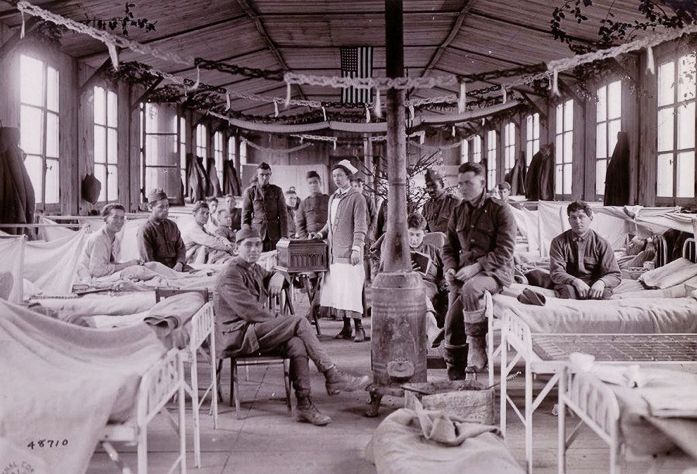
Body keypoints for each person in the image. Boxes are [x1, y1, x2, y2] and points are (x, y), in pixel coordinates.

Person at [216, 227, 369, 426]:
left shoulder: (252, 267)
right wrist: (281, 320)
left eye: (257, 245)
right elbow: (251, 312)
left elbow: (275, 274)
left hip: (253, 330)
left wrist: (280, 274)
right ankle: (331, 374)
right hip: (237, 336)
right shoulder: (231, 273)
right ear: (237, 248)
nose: (254, 249)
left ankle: (304, 405)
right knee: (298, 322)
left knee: (296, 342)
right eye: (248, 245)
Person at [442, 162, 516, 378]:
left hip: (495, 273)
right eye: (460, 183)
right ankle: (455, 379)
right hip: (463, 276)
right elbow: (449, 247)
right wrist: (450, 268)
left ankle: (477, 349)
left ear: (483, 183)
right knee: (452, 323)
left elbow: (506, 250)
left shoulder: (500, 209)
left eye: (469, 183)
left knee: (472, 288)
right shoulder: (458, 211)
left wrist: (477, 267)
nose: (463, 188)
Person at [313, 160, 368, 342]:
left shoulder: (357, 197)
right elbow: (330, 224)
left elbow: (361, 226)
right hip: (334, 254)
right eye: (334, 175)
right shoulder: (333, 197)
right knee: (340, 292)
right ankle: (346, 327)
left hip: (350, 253)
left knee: (352, 291)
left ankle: (359, 328)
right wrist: (320, 234)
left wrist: (356, 248)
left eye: (340, 176)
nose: (336, 179)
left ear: (348, 177)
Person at [549, 200, 621, 300]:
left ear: (590, 219)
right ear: (569, 220)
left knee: (604, 297)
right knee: (567, 294)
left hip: (595, 286)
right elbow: (556, 273)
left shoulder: (602, 243)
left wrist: (601, 283)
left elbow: (615, 274)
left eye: (581, 216)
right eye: (573, 217)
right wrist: (575, 281)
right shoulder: (558, 242)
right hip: (571, 284)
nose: (577, 221)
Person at [80, 203, 141, 278]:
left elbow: (113, 264)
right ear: (105, 219)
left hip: (105, 276)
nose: (119, 221)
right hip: (90, 278)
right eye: (115, 217)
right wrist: (127, 265)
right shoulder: (98, 239)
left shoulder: (115, 240)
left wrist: (133, 263)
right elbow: (97, 272)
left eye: (122, 218)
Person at [242, 162, 288, 252]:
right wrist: (247, 236)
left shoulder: (277, 191)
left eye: (267, 175)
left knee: (275, 260)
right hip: (257, 234)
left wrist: (284, 236)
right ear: (257, 175)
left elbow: (283, 215)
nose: (264, 177)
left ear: (270, 174)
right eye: (262, 174)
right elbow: (245, 217)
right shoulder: (250, 192)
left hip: (274, 234)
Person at [138, 189, 188, 271]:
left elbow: (181, 248)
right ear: (151, 208)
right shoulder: (145, 229)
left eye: (167, 206)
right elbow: (148, 261)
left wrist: (179, 263)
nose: (165, 210)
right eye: (161, 207)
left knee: (205, 277)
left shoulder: (172, 225)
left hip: (177, 267)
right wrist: (167, 272)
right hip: (158, 271)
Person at [422, 168, 461, 234]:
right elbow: (423, 230)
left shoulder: (455, 202)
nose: (430, 190)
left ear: (442, 185)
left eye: (434, 186)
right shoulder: (426, 206)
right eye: (428, 187)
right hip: (431, 243)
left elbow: (461, 229)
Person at [295, 171, 329, 239]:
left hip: (327, 238)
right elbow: (300, 225)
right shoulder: (303, 203)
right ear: (307, 185)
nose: (313, 185)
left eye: (315, 182)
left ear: (320, 183)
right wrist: (305, 239)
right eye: (310, 183)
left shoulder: (329, 200)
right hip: (309, 239)